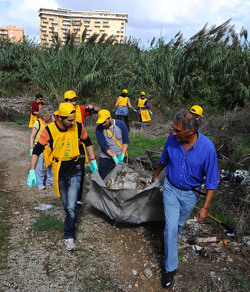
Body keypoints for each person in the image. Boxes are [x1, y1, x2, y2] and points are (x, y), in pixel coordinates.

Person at [152, 109, 220, 289]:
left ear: (190, 131)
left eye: (177, 131)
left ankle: (167, 245)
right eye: (173, 129)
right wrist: (156, 174)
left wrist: (204, 208)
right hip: (171, 189)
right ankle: (170, 269)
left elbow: (212, 181)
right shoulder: (171, 140)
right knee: (172, 228)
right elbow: (164, 159)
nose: (173, 133)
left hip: (191, 194)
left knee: (177, 227)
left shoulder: (207, 148)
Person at [27, 103, 98, 251]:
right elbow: (37, 150)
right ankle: (71, 221)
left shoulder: (77, 127)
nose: (73, 123)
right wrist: (32, 171)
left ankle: (69, 235)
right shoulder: (50, 130)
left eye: (74, 119)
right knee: (66, 205)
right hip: (59, 171)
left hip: (75, 169)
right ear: (60, 118)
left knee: (71, 206)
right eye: (69, 120)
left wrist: (92, 160)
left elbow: (88, 141)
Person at [62, 90, 101, 205]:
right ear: (65, 101)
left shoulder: (81, 109)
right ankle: (66, 195)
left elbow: (99, 110)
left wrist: (92, 107)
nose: (74, 102)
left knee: (80, 171)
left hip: (79, 146)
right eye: (71, 100)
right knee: (65, 170)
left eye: (75, 100)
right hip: (66, 146)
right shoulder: (60, 112)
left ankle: (77, 198)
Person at [96, 109, 129, 180]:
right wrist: (113, 157)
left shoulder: (121, 124)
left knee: (120, 179)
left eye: (105, 122)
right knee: (104, 180)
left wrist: (123, 154)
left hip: (121, 157)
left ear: (110, 118)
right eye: (101, 123)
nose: (103, 124)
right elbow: (103, 145)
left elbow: (125, 141)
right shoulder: (99, 128)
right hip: (106, 158)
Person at [29, 105, 54, 190]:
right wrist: (31, 148)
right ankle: (40, 182)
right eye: (49, 115)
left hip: (49, 147)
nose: (51, 117)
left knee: (50, 164)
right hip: (40, 147)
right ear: (44, 115)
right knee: (39, 166)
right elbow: (32, 136)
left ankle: (50, 180)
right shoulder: (38, 122)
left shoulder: (51, 122)